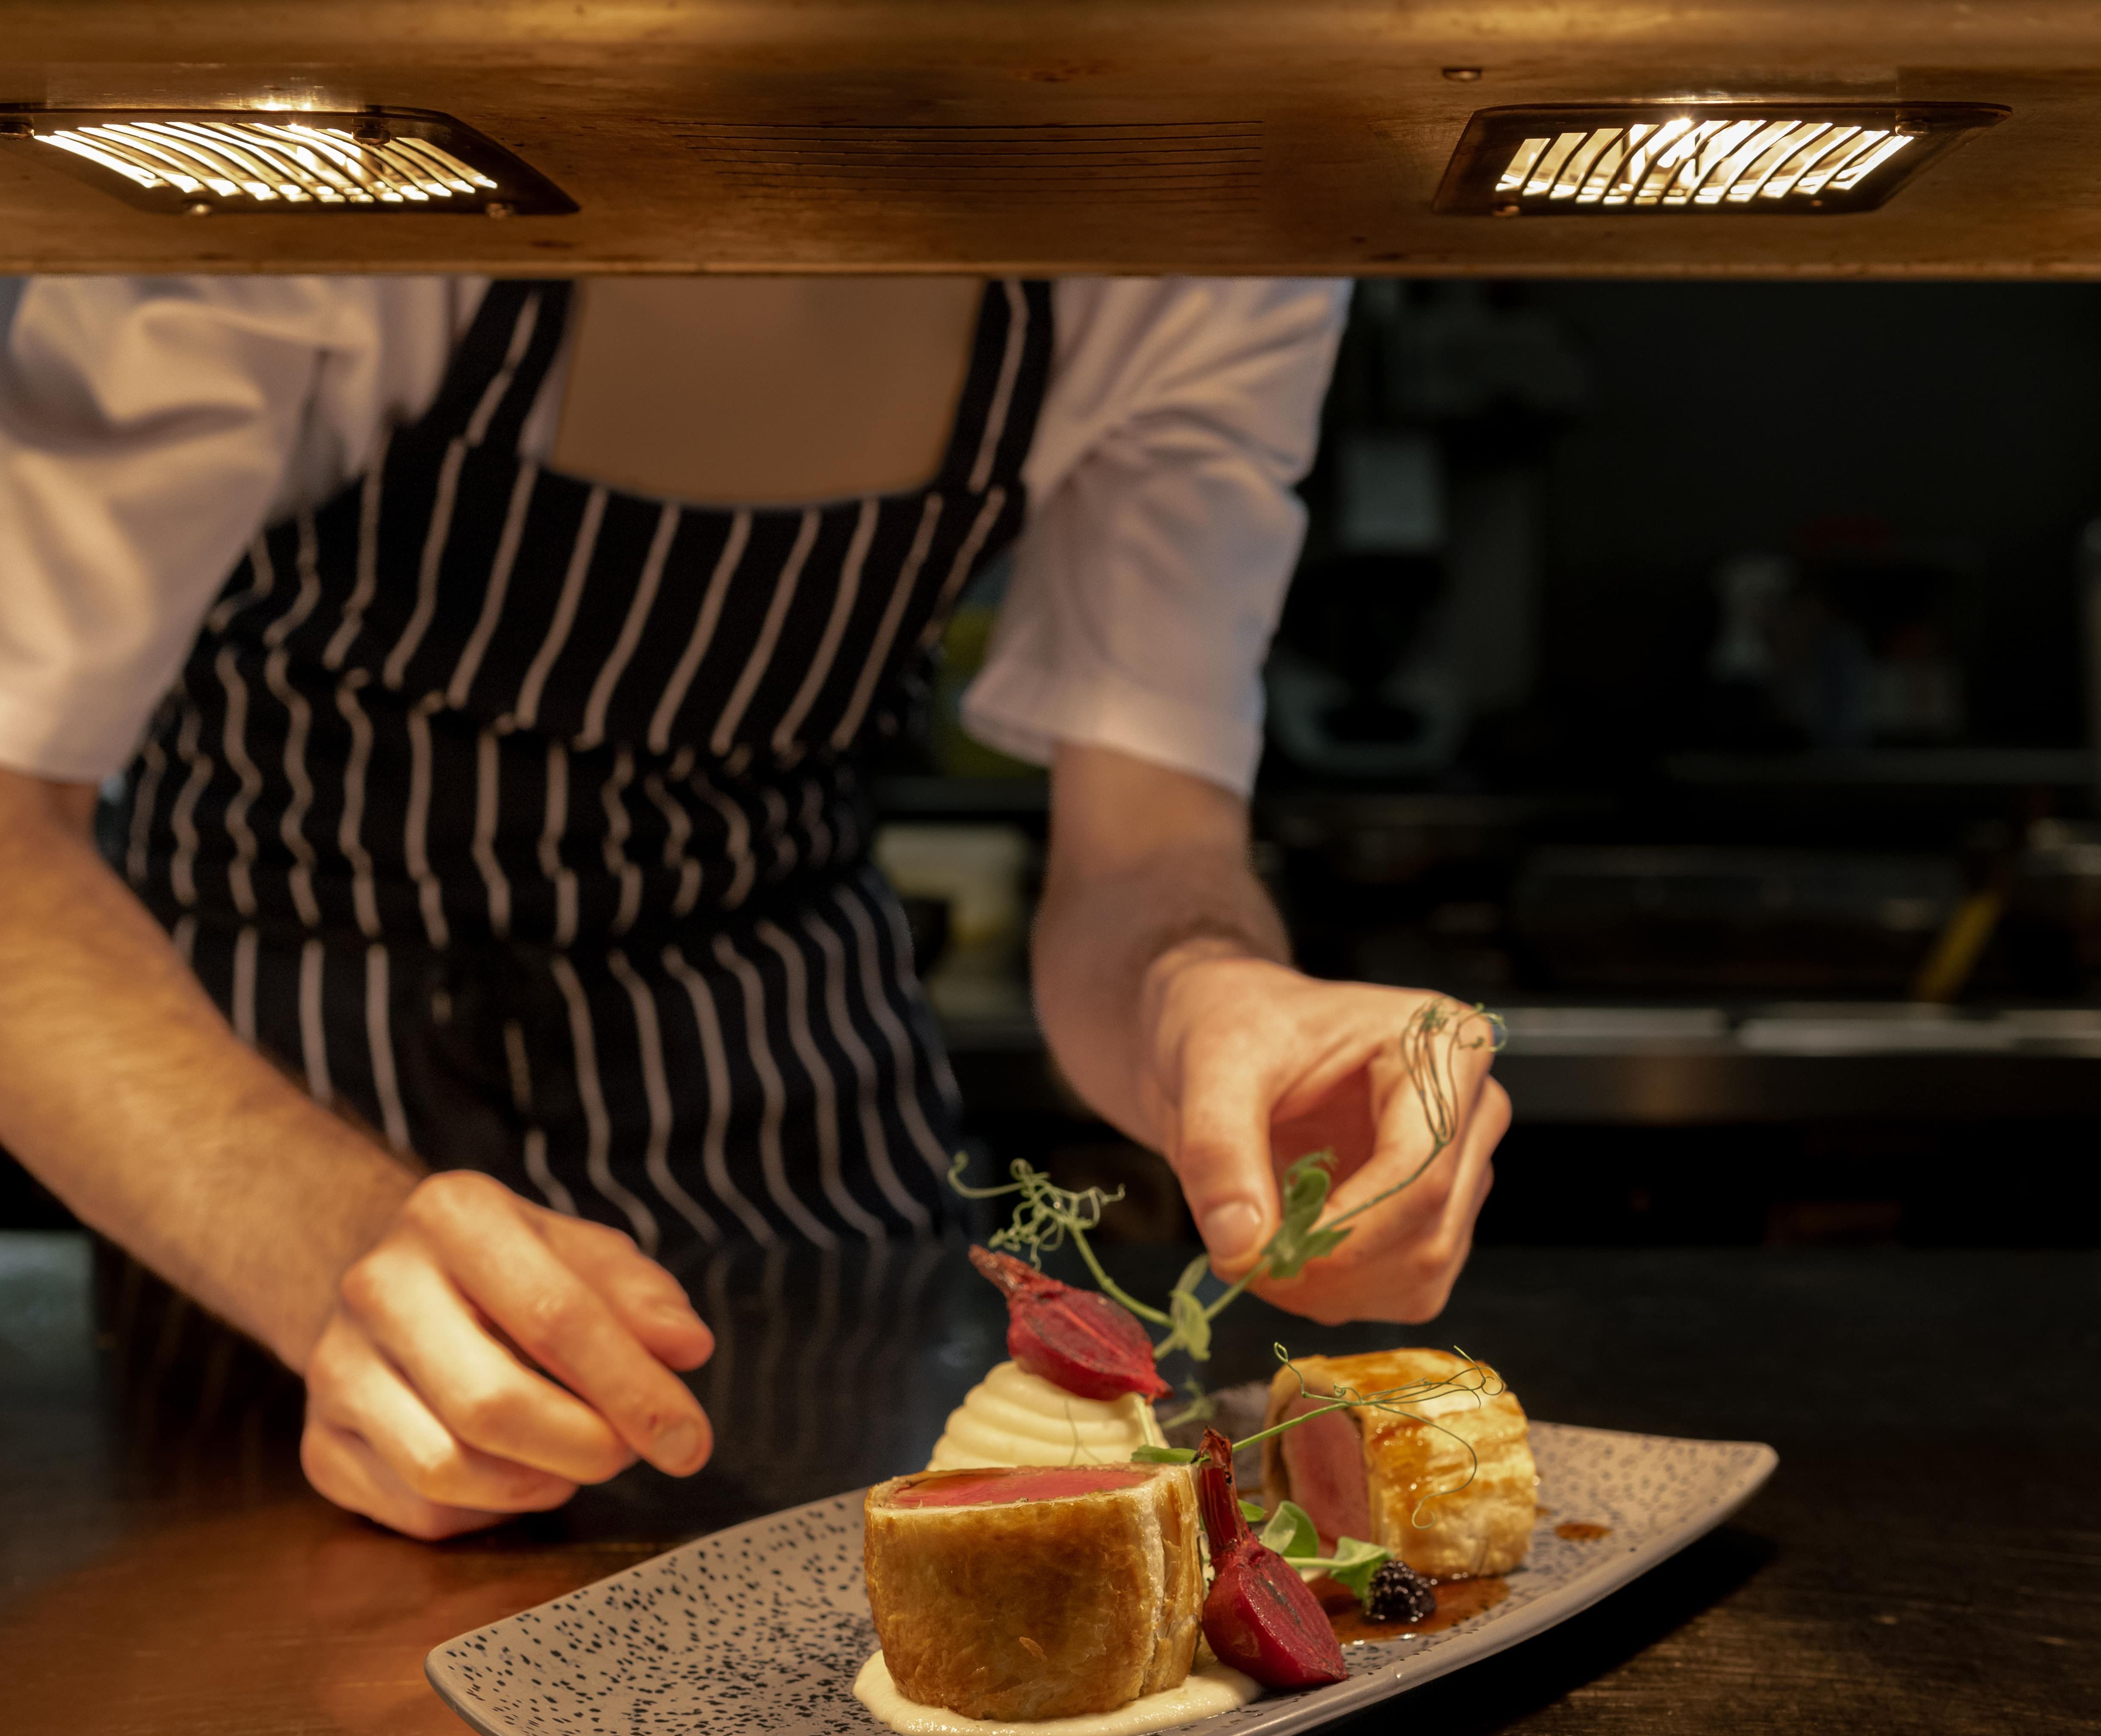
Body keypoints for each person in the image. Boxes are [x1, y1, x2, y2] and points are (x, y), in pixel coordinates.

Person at [0, 272, 1509, 1540]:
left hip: (791, 1089)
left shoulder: (1199, 228)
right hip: (264, 1096)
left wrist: (1203, 987)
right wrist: (316, 1236)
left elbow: (1139, 850)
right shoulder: (330, 152)